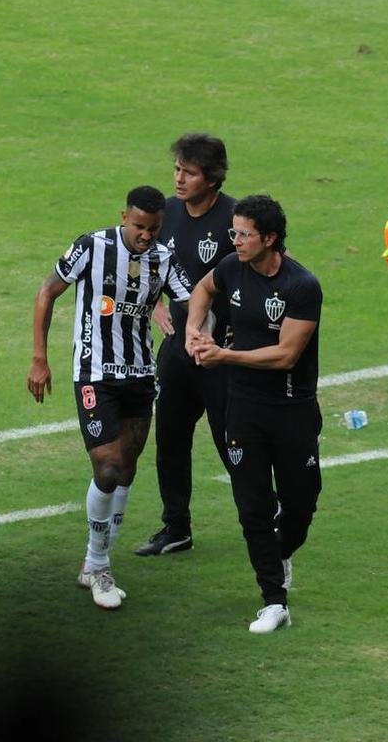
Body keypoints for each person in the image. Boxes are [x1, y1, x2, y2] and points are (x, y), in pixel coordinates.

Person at [27, 186, 192, 609]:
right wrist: (39, 359)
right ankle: (98, 565)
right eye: (138, 226)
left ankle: (96, 557)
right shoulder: (92, 246)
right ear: (124, 217)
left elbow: (191, 299)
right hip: (94, 375)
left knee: (127, 469)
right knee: (108, 466)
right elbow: (47, 293)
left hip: (140, 375)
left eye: (153, 228)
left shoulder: (164, 257)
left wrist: (201, 330)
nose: (145, 235)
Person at [186, 195, 323, 633]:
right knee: (252, 506)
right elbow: (203, 289)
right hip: (243, 409)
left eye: (244, 234)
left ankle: (280, 550)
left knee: (301, 504)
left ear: (271, 238)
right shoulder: (231, 267)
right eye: (234, 233)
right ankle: (273, 600)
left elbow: (285, 355)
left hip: (292, 410)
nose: (236, 241)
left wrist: (224, 355)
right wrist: (195, 328)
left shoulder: (302, 286)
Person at [135, 133, 237, 557]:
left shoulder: (236, 218)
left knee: (233, 442)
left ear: (211, 179)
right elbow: (143, 256)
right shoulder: (167, 212)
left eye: (189, 172)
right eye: (177, 169)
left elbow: (262, 273)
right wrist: (155, 302)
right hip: (177, 350)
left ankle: (265, 516)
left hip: (220, 355)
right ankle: (176, 527)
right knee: (170, 440)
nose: (178, 179)